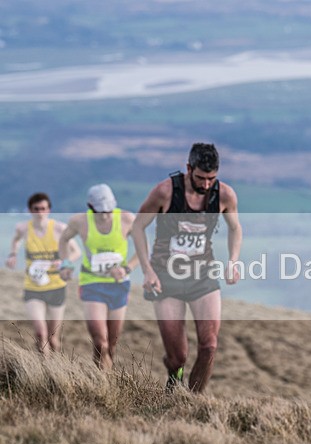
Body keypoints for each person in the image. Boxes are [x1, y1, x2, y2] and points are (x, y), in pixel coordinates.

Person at [131, 142, 242, 393]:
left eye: (211, 179)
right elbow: (137, 227)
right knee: (178, 356)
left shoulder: (225, 195)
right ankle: (174, 377)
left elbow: (236, 227)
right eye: (201, 178)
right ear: (188, 168)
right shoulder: (165, 192)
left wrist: (233, 260)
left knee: (209, 346)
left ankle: (191, 401)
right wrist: (147, 270)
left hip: (202, 276)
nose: (205, 185)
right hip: (165, 278)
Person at [59, 184, 138, 371]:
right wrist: (66, 263)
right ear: (90, 206)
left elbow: (144, 249)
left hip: (118, 286)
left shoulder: (127, 219)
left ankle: (105, 381)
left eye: (109, 210)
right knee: (100, 342)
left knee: (111, 344)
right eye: (100, 211)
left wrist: (127, 268)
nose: (105, 215)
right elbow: (63, 240)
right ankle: (100, 382)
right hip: (91, 284)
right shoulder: (79, 221)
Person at [5, 193, 81, 354]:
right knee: (40, 334)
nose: (40, 212)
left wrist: (63, 262)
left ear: (49, 210)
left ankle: (57, 369)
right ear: (30, 210)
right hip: (33, 287)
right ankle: (44, 370)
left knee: (53, 339)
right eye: (36, 209)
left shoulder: (60, 228)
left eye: (43, 208)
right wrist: (12, 254)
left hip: (56, 287)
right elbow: (16, 239)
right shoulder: (23, 228)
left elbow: (76, 251)